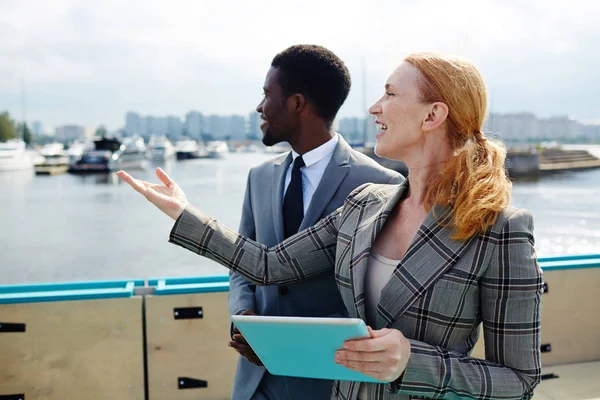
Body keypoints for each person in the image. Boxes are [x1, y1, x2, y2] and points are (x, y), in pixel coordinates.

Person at [118, 52, 543, 400]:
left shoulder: (502, 229)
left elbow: (520, 381)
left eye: (391, 94)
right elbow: (268, 265)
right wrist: (183, 213)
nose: (375, 107)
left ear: (433, 114)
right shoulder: (364, 204)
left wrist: (410, 361)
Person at [227, 44, 402, 400]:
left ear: (296, 104)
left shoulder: (383, 184)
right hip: (256, 380)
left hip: (332, 381)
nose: (260, 107)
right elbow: (241, 264)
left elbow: (381, 291)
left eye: (266, 95)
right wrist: (243, 314)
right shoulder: (258, 177)